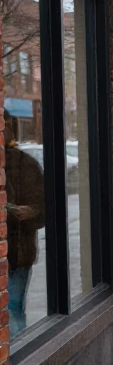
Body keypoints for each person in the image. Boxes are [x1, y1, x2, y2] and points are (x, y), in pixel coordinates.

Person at [4, 111, 44, 339]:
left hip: (18, 254)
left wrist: (31, 213)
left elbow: (44, 208)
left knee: (14, 311)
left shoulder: (27, 165)